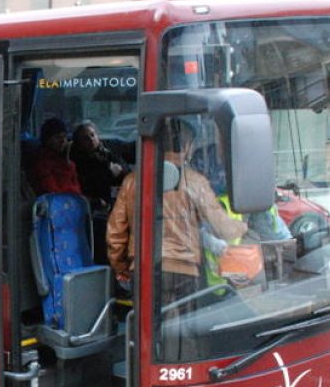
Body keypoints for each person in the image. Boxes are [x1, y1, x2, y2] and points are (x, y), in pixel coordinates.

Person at [106, 119, 247, 306]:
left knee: (146, 326)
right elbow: (224, 229)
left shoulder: (132, 181)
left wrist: (122, 268)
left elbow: (115, 234)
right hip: (186, 270)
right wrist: (244, 225)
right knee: (184, 329)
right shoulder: (195, 181)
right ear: (188, 147)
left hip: (143, 269)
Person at [69, 121, 128, 207]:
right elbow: (89, 183)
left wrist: (121, 170)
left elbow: (124, 167)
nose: (91, 139)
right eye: (85, 138)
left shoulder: (109, 148)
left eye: (92, 135)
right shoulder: (77, 160)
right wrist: (108, 171)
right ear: (79, 143)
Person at [28, 117, 82, 195]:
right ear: (47, 140)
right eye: (57, 137)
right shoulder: (43, 163)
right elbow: (52, 191)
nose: (63, 141)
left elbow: (77, 188)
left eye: (64, 137)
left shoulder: (67, 160)